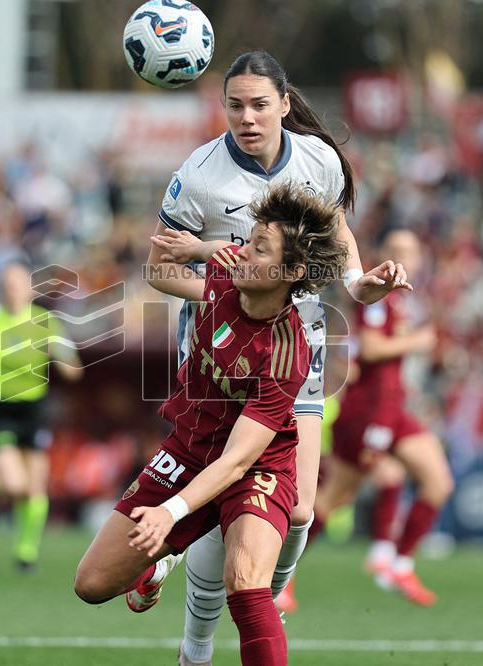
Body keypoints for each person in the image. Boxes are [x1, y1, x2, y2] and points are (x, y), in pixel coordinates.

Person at [143, 50, 409, 666]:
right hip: (219, 355)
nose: (248, 117)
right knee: (230, 493)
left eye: (260, 104)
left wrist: (363, 283)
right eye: (235, 105)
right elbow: (158, 269)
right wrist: (222, 280)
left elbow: (337, 243)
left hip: (295, 349)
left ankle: (208, 571)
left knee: (301, 511)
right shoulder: (200, 173)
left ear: (286, 104)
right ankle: (197, 647)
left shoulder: (318, 160)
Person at [74, 182, 348, 666]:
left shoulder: (288, 352)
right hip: (186, 450)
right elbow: (158, 274)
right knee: (91, 585)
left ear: (292, 272)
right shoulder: (227, 272)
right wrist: (196, 246)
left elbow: (239, 458)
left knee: (244, 580)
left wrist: (170, 513)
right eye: (247, 241)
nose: (243, 252)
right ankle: (160, 564)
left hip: (257, 468)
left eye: (259, 248)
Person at [309, 227, 454, 606]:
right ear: (382, 254)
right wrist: (418, 342)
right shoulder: (377, 295)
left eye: (410, 251)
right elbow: (370, 349)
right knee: (336, 497)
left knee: (437, 481)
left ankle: (398, 565)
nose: (403, 258)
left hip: (393, 407)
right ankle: (279, 574)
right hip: (368, 407)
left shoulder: (404, 301)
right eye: (395, 250)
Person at [0, 261, 83, 571]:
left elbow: (73, 368)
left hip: (34, 408)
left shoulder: (45, 322)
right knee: (14, 485)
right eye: (8, 285)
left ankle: (26, 548)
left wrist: (57, 353)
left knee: (35, 486)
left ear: (29, 289)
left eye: (18, 285)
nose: (13, 291)